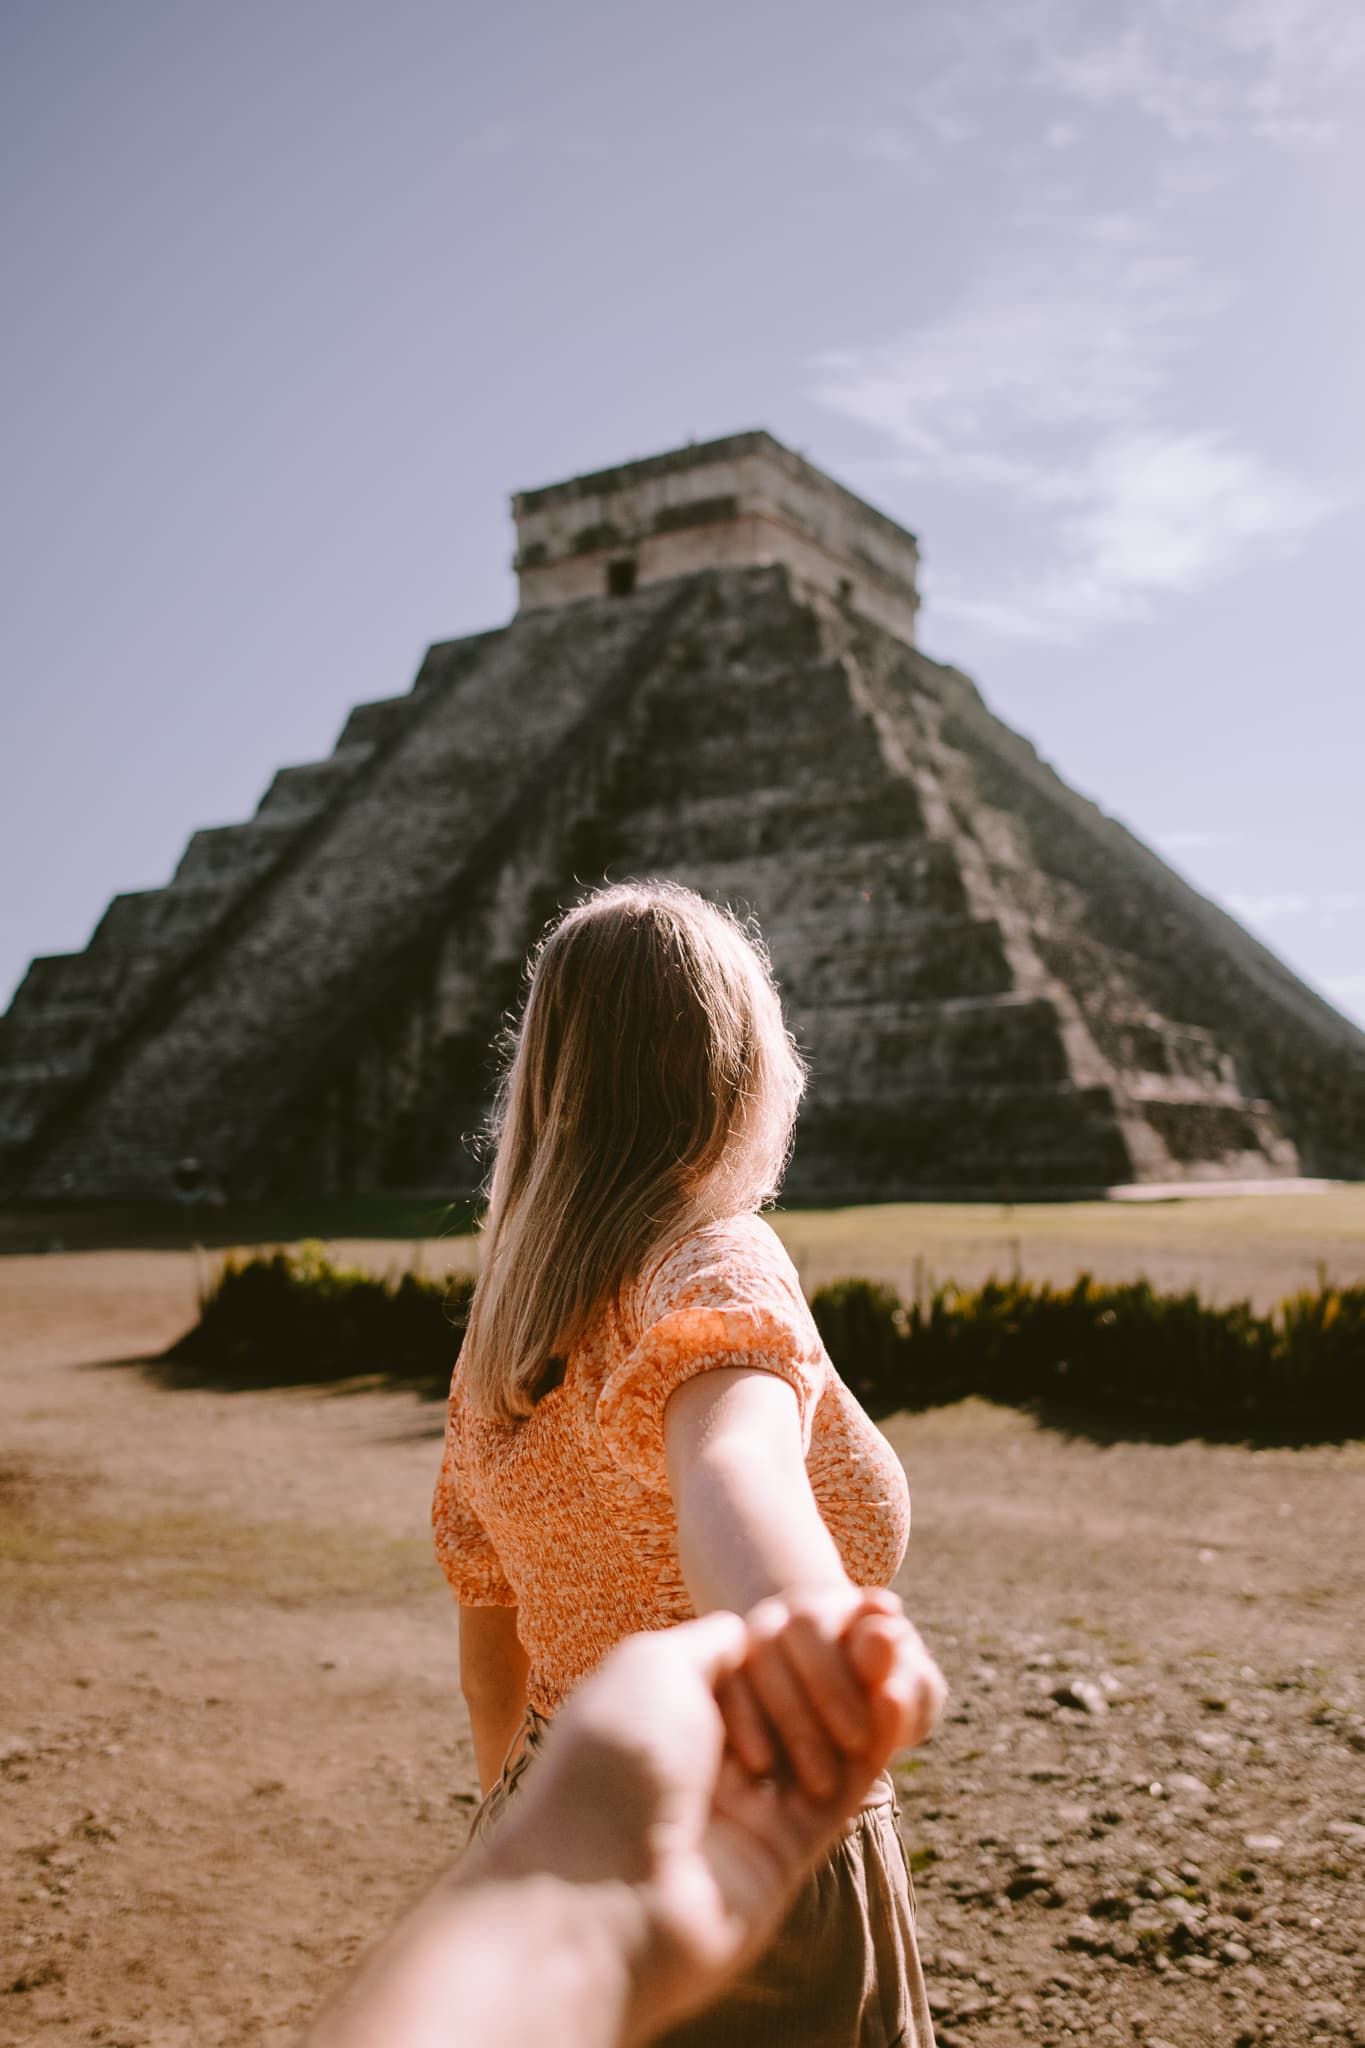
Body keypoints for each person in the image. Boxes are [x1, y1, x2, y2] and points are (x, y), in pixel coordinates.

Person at [432, 881, 946, 2045]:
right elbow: (733, 1451)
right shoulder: (717, 1255)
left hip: (558, 1815)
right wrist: (796, 1630)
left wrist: (518, 1830)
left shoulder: (503, 1332)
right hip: (753, 1845)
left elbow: (488, 1659)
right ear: (741, 1065)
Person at [304, 1602, 927, 2048]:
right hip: (772, 1818)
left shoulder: (478, 1415)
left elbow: (488, 1680)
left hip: (547, 1785)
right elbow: (783, 1599)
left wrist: (543, 1849)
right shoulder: (717, 1412)